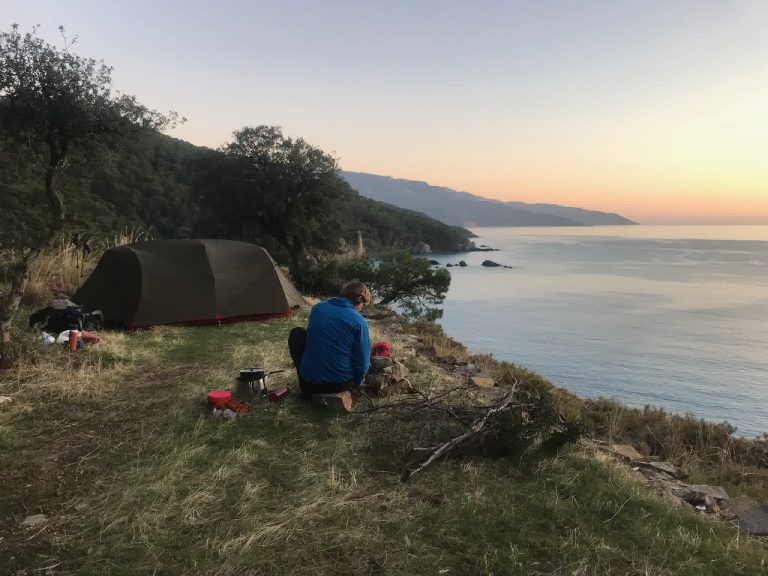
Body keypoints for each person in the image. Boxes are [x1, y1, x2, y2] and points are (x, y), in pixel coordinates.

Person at [288, 281, 371, 410]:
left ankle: (305, 390)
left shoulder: (318, 308)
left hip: (308, 384)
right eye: (363, 306)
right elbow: (363, 364)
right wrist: (357, 383)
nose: (361, 309)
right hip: (339, 385)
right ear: (360, 301)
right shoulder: (359, 321)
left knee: (297, 334)